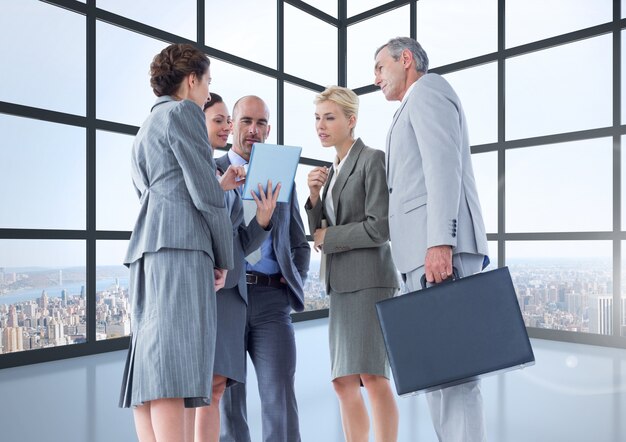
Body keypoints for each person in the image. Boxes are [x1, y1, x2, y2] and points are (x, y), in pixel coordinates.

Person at [374, 37, 490, 442]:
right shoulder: (411, 104)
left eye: (379, 67)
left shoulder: (428, 91)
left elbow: (443, 168)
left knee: (455, 373)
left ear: (406, 59)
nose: (375, 79)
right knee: (438, 372)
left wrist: (441, 242)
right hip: (420, 255)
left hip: (438, 252)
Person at [119, 43, 234, 442]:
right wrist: (224, 256)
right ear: (191, 80)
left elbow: (147, 193)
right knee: (175, 368)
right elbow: (205, 193)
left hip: (147, 252)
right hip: (181, 250)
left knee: (153, 368)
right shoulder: (184, 112)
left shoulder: (145, 128)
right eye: (207, 83)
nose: (206, 92)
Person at [304, 86, 400, 442]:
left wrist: (330, 237)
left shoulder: (372, 159)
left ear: (351, 120)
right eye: (317, 118)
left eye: (329, 117)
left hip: (369, 281)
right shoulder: (331, 170)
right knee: (343, 382)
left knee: (373, 376)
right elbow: (318, 231)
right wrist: (314, 197)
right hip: (342, 285)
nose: (321, 125)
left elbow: (380, 227)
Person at [187, 94, 280, 442]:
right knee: (200, 391)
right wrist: (218, 187)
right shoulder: (203, 172)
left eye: (229, 121)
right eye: (220, 121)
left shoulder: (228, 176)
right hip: (207, 292)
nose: (227, 127)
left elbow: (239, 244)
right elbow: (187, 221)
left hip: (230, 296)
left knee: (216, 388)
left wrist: (265, 220)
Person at [218, 95, 310, 442]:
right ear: (232, 126)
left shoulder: (282, 175)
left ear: (268, 129)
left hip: (273, 299)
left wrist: (292, 280)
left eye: (260, 123)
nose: (253, 130)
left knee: (280, 398)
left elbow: (299, 241)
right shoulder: (213, 172)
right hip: (227, 298)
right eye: (246, 122)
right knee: (229, 403)